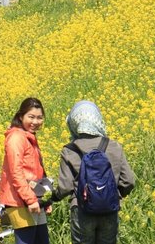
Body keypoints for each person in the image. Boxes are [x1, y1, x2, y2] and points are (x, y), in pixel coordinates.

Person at [52, 100, 135, 244]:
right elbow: (129, 181)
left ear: (74, 122)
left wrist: (51, 198)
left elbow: (65, 187)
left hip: (81, 210)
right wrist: (113, 195)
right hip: (109, 208)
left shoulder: (69, 150)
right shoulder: (114, 146)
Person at [0, 97, 50, 244]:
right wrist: (31, 199)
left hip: (33, 199)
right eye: (31, 117)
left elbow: (37, 171)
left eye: (39, 118)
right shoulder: (16, 137)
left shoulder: (28, 137)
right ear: (21, 116)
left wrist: (44, 200)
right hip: (19, 202)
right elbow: (16, 172)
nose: (35, 122)